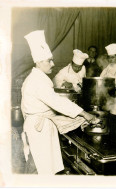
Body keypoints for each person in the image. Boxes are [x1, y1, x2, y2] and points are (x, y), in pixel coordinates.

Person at [21, 30, 99, 174]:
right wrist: (84, 114)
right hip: (39, 129)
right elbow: (57, 101)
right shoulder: (37, 81)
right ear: (39, 62)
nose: (53, 63)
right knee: (37, 166)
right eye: (49, 60)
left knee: (39, 164)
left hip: (38, 126)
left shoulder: (37, 77)